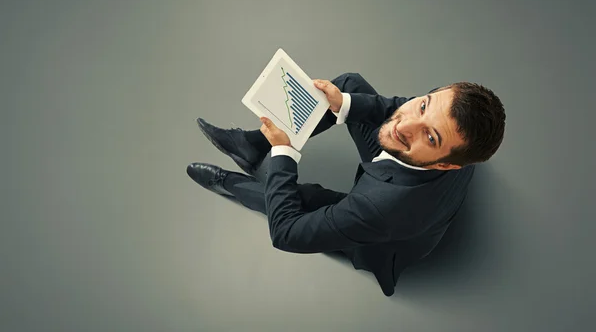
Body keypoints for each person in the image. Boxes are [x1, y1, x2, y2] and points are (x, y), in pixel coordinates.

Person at [187, 73, 506, 296]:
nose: (405, 123)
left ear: (446, 165)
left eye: (431, 136)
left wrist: (285, 150)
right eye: (422, 106)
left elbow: (287, 233)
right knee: (348, 87)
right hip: (414, 184)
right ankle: (253, 145)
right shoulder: (446, 111)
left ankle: (228, 182)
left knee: (305, 198)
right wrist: (344, 104)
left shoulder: (378, 208)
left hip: (388, 234)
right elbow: (396, 105)